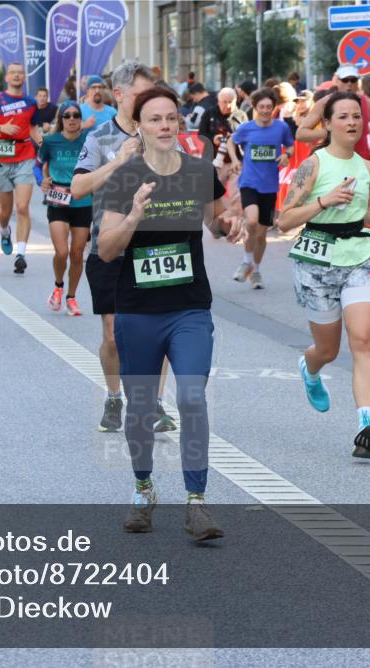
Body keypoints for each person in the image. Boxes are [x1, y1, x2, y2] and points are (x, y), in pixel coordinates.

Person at [97, 85, 243, 540]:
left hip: (189, 308)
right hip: (138, 310)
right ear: (138, 127)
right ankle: (143, 489)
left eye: (170, 118)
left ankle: (196, 502)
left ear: (180, 123)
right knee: (141, 407)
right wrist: (133, 216)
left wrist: (228, 224)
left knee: (192, 397)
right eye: (154, 119)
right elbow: (106, 250)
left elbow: (216, 221)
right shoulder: (125, 177)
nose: (164, 125)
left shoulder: (199, 171)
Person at [275, 91, 370, 459]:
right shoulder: (313, 165)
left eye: (356, 116)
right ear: (326, 124)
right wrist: (324, 201)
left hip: (360, 257)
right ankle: (310, 368)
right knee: (328, 350)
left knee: (363, 340)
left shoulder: (367, 167)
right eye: (342, 116)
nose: (352, 122)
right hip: (316, 262)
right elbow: (284, 220)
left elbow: (363, 208)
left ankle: (365, 425)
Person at [72, 61, 176, 434]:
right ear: (118, 95)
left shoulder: (163, 131)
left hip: (155, 248)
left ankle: (155, 404)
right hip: (111, 247)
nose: (151, 102)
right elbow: (78, 189)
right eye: (141, 95)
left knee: (159, 331)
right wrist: (119, 161)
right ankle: (114, 396)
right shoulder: (99, 137)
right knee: (114, 335)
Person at [228, 87, 294, 290]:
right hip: (249, 183)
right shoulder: (246, 128)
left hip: (269, 186)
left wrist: (286, 155)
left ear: (273, 108)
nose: (265, 110)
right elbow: (231, 141)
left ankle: (255, 271)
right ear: (255, 108)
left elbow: (290, 146)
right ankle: (246, 261)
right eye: (261, 107)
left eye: (268, 107)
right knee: (251, 221)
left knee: (261, 235)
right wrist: (235, 160)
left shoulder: (281, 128)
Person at [0, 62, 40, 271]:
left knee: (22, 207)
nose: (17, 76)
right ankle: (4, 231)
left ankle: (21, 253)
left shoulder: (30, 102)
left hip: (25, 156)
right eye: (13, 72)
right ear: (6, 77)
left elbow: (33, 128)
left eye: (20, 73)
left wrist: (42, 144)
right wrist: (0, 128)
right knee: (4, 211)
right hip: (2, 159)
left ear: (24, 77)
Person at [39, 101, 91, 316]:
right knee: (62, 252)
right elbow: (41, 164)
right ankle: (58, 285)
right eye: (67, 115)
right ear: (61, 119)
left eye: (76, 115)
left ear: (80, 118)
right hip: (58, 198)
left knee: (77, 254)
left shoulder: (89, 140)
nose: (72, 119)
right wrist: (43, 180)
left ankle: (71, 297)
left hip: (83, 200)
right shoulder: (50, 141)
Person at [297, 65, 370, 160]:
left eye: (353, 80)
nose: (349, 84)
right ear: (337, 81)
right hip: (332, 161)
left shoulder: (369, 104)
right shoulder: (324, 103)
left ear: (358, 82)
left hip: (361, 160)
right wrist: (326, 133)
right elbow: (300, 134)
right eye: (345, 80)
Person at [197, 87, 248, 156]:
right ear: (219, 102)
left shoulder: (241, 115)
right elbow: (201, 134)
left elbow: (247, 136)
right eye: (224, 102)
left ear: (235, 101)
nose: (228, 106)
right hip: (213, 155)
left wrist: (235, 137)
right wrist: (213, 139)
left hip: (236, 156)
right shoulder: (209, 113)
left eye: (230, 102)